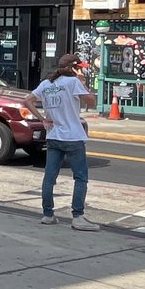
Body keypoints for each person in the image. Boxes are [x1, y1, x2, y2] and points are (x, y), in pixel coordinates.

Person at [34, 53, 99, 230]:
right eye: (79, 67)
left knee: (50, 177)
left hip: (54, 135)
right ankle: (77, 216)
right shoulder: (73, 82)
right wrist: (83, 83)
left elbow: (28, 100)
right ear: (73, 68)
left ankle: (48, 214)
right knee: (80, 177)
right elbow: (92, 102)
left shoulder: (47, 84)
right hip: (73, 136)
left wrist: (42, 119)